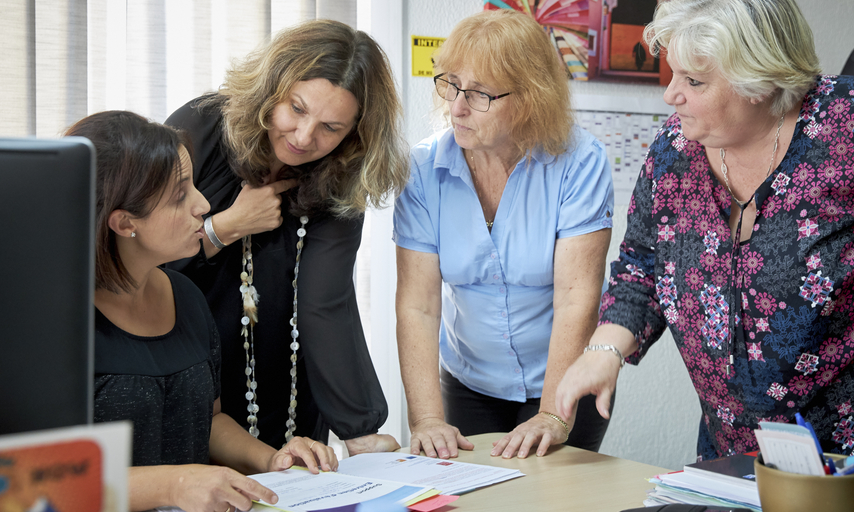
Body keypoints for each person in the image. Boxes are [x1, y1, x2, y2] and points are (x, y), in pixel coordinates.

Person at [556, 0, 854, 467]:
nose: (670, 95)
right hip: (731, 458)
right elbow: (643, 265)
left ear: (760, 82)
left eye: (694, 81)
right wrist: (605, 350)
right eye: (673, 73)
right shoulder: (675, 149)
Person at [68, 110, 338, 512]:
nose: (204, 204)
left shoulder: (186, 297)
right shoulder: (51, 325)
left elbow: (208, 422)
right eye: (180, 195)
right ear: (125, 223)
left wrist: (272, 458)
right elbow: (27, 479)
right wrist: (172, 485)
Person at [165, 19, 408, 453]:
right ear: (272, 87)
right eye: (297, 109)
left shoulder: (344, 175)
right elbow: (137, 258)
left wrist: (360, 429)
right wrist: (227, 226)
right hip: (189, 370)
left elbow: (325, 302)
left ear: (354, 134)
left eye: (331, 127)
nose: (304, 137)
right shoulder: (199, 126)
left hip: (288, 385)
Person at [394, 9, 615, 461]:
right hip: (470, 381)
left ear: (531, 97)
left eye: (479, 94)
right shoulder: (423, 169)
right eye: (451, 84)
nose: (456, 106)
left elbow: (577, 299)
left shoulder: (579, 162)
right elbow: (418, 305)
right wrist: (427, 420)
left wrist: (554, 413)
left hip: (565, 380)